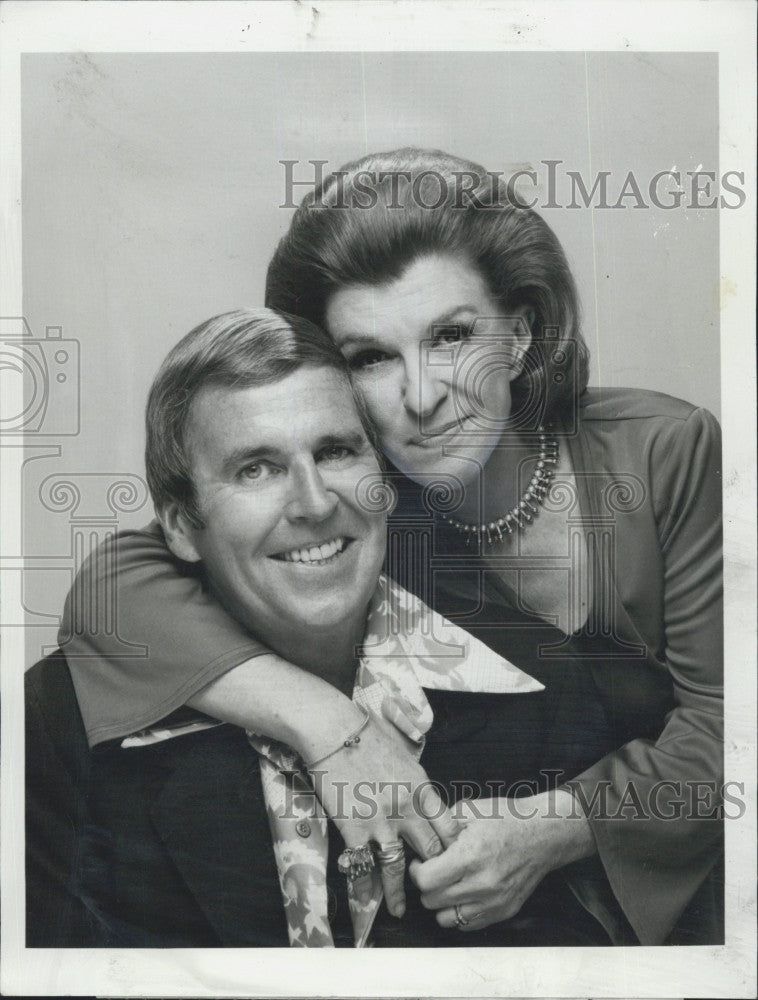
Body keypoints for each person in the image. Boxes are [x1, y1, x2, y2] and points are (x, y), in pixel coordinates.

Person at [56, 149, 723, 945]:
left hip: (690, 890)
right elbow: (120, 585)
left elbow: (738, 727)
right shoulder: (356, 500)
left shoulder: (660, 451)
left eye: (452, 336)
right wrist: (323, 721)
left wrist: (552, 828)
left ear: (521, 331)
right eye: (371, 357)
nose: (422, 394)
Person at [27, 307, 603, 949]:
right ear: (182, 527)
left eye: (335, 451)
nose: (315, 503)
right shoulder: (53, 725)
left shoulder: (539, 690)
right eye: (256, 469)